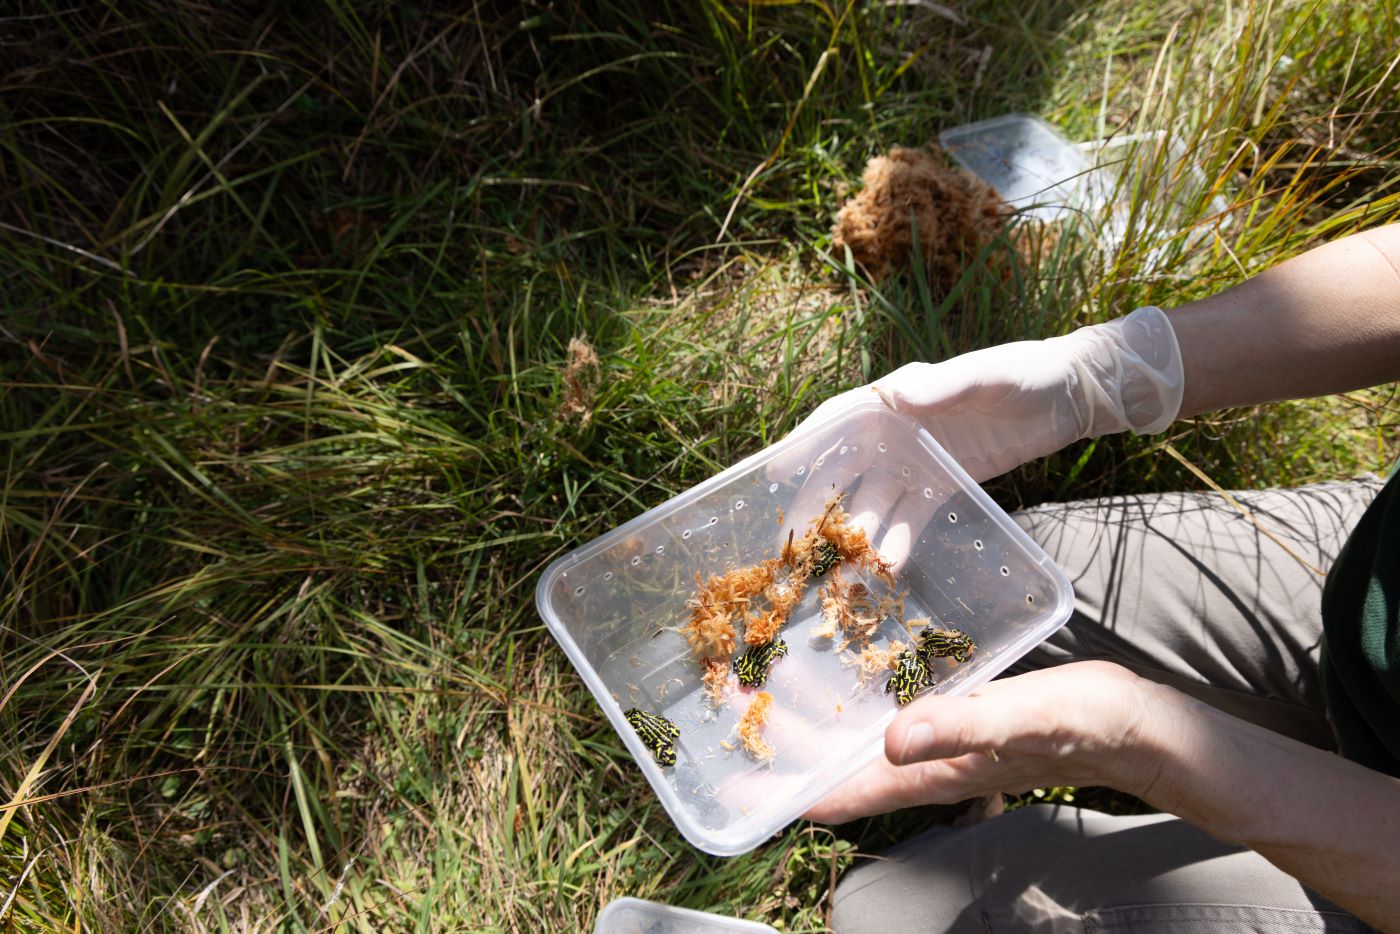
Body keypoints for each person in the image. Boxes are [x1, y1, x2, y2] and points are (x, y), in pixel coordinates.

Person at [794, 225, 1400, 932]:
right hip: (1369, 578)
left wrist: (1147, 747)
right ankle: (1327, 726)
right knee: (989, 578)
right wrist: (1109, 373)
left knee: (893, 918)